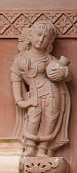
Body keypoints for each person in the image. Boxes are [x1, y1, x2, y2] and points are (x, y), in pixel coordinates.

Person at [10, 21, 71, 157]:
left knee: (50, 118)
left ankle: (43, 148)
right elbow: (16, 79)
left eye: (46, 38)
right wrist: (20, 101)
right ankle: (30, 147)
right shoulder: (20, 59)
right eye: (38, 35)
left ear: (50, 42)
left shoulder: (48, 59)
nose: (41, 40)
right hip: (34, 94)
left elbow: (67, 76)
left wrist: (64, 72)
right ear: (30, 35)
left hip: (52, 93)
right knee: (33, 118)